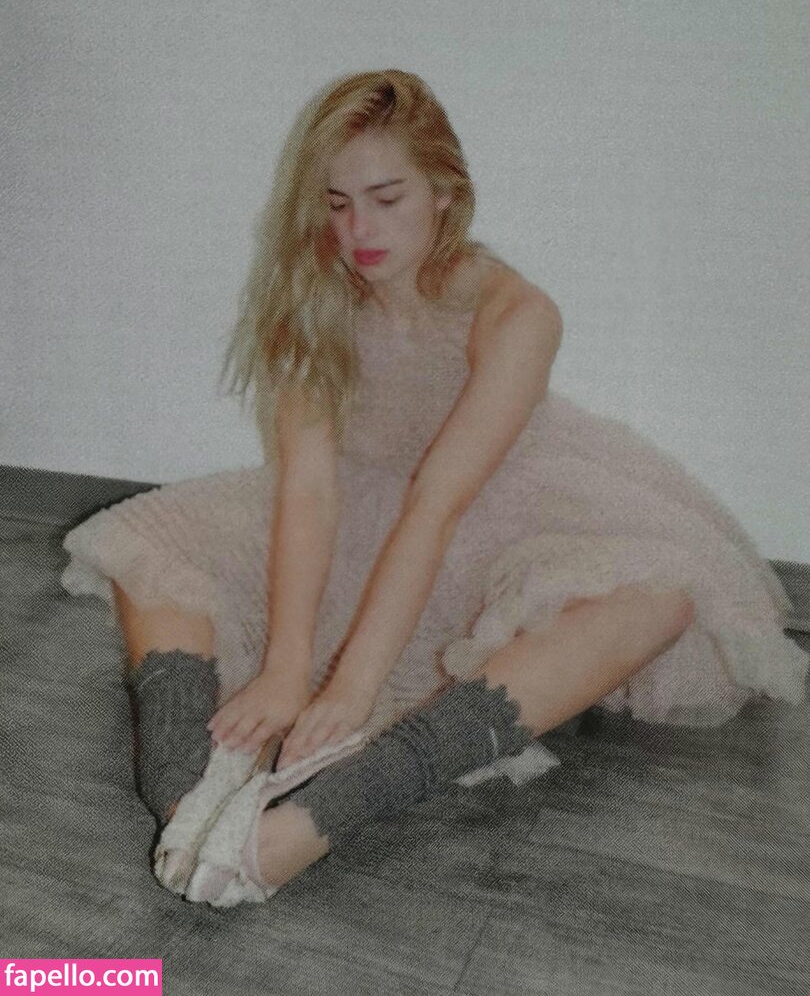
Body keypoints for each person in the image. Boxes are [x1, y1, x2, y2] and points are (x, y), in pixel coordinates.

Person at [60, 68, 809, 908]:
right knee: (148, 550)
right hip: (345, 520)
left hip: (492, 526)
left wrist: (351, 688)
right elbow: (307, 492)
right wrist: (288, 667)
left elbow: (436, 505)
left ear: (445, 192)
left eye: (387, 198)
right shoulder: (317, 295)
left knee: (660, 599)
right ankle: (184, 800)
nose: (359, 229)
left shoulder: (516, 313)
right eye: (337, 204)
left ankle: (315, 816)